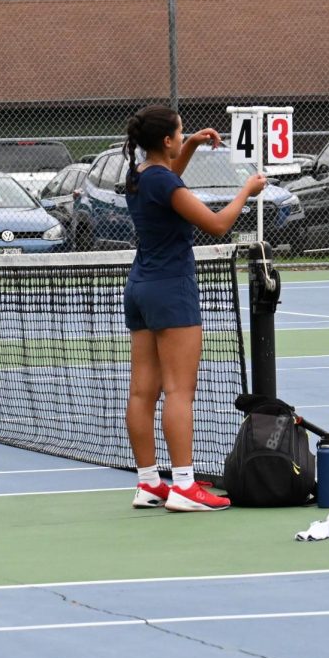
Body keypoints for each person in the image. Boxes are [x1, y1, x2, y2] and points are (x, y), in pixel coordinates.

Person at [122, 104, 266, 512]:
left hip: (140, 289)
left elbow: (170, 176)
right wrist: (246, 191)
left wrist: (194, 146)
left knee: (141, 393)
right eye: (181, 134)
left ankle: (150, 484)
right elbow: (218, 225)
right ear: (166, 140)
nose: (184, 138)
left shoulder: (140, 176)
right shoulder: (164, 183)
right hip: (171, 291)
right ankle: (184, 487)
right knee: (179, 391)